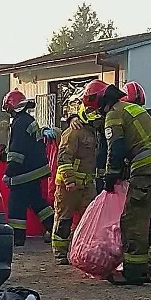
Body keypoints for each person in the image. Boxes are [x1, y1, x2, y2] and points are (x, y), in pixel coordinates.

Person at [80, 79, 151, 286]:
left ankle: (134, 272)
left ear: (100, 101)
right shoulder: (131, 109)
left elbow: (117, 147)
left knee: (134, 221)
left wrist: (110, 177)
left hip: (146, 169)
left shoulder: (114, 114)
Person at [1, 89, 55, 247]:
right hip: (35, 171)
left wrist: (9, 172)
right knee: (38, 203)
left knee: (16, 205)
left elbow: (18, 152)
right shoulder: (27, 120)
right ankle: (57, 228)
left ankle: (17, 238)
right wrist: (5, 154)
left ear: (13, 107)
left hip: (24, 173)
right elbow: (26, 146)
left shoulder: (19, 123)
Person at [51, 104, 99, 265]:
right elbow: (63, 159)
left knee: (90, 220)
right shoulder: (73, 132)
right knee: (64, 220)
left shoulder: (93, 132)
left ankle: (82, 250)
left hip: (87, 185)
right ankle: (60, 254)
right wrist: (70, 181)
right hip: (68, 188)